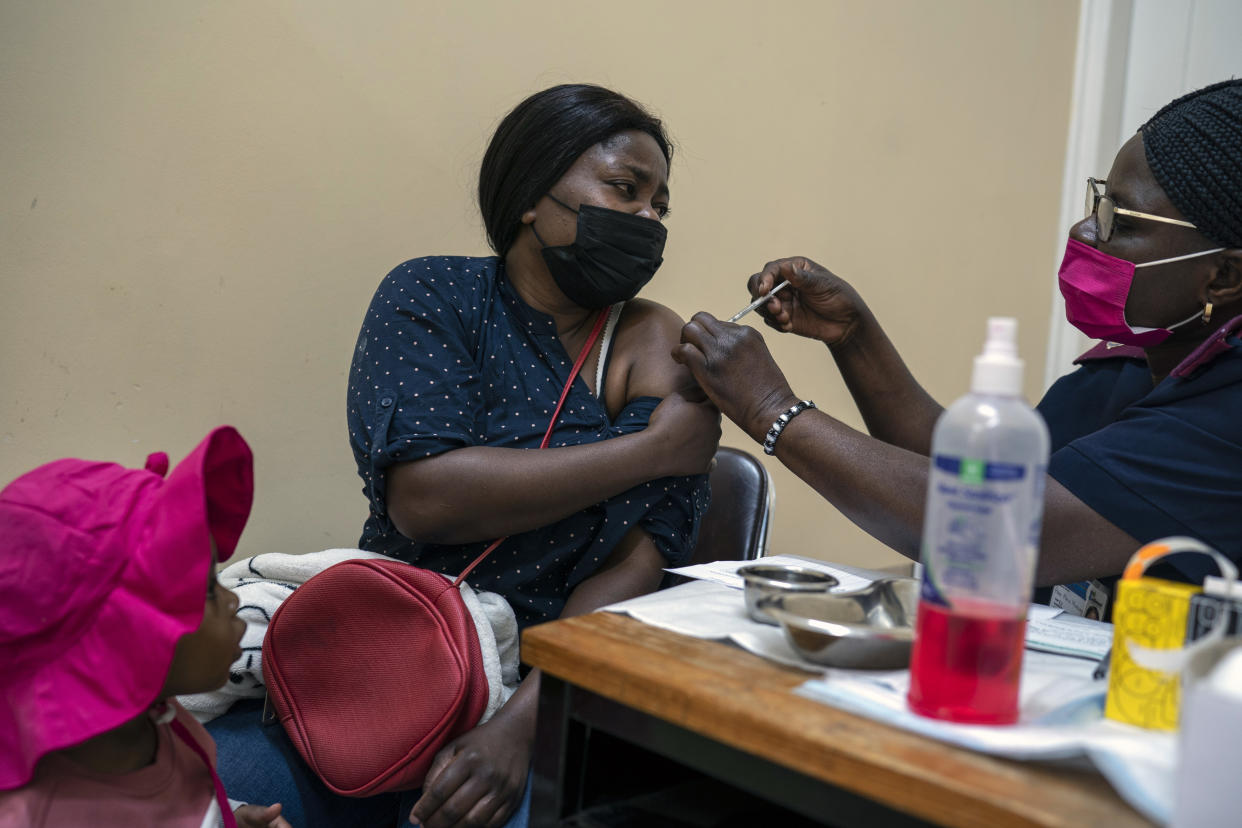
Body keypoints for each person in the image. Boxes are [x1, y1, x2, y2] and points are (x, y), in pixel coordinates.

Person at [210, 83, 719, 828]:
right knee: (190, 796)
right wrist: (649, 452)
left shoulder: (650, 340)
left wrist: (523, 728)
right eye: (625, 189)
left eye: (660, 205)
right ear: (530, 197)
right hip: (380, 661)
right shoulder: (434, 294)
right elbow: (427, 498)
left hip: (544, 689)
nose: (648, 219)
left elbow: (636, 564)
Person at [674, 79, 1242, 616]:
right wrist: (853, 336)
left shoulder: (1226, 413)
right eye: (1100, 202)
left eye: (1122, 220)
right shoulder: (1123, 373)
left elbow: (992, 533)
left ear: (1221, 277)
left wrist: (771, 408)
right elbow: (966, 478)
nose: (1086, 232)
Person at [0, 426, 291, 828]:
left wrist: (229, 818)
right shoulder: (44, 813)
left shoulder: (157, 723)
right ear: (124, 639)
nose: (234, 600)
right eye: (208, 589)